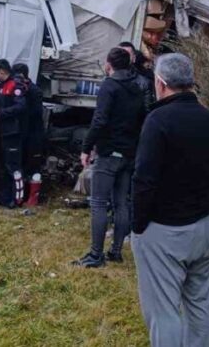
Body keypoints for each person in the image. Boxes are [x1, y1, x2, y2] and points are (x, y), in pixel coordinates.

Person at [131, 52, 209, 346]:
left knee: (164, 312)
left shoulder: (157, 120)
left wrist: (138, 225)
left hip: (165, 231)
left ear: (160, 83)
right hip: (205, 226)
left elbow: (144, 179)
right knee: (200, 306)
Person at [76, 47, 146, 267]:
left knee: (98, 202)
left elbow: (99, 120)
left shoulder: (110, 85)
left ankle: (96, 255)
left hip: (109, 153)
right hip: (129, 153)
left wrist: (87, 148)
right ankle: (115, 251)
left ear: (109, 64)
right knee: (121, 203)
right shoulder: (138, 86)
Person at [0, 59, 27, 207]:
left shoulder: (15, 85)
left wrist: (0, 113)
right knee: (5, 167)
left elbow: (20, 107)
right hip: (4, 132)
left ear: (1, 71)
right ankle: (6, 198)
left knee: (14, 167)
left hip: (13, 132)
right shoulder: (4, 86)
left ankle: (17, 199)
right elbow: (2, 100)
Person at [12, 63, 46, 206]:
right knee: (22, 164)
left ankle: (34, 197)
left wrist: (26, 93)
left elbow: (37, 113)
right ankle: (23, 194)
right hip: (22, 134)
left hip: (34, 134)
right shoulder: (17, 89)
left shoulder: (34, 90)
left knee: (34, 166)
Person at [119, 41, 156, 109]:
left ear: (134, 58)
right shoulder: (108, 80)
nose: (122, 58)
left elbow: (146, 108)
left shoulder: (143, 83)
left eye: (126, 55)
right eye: (118, 54)